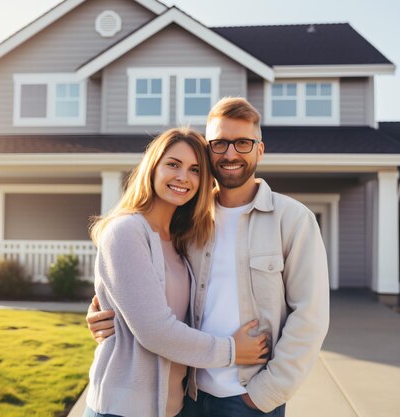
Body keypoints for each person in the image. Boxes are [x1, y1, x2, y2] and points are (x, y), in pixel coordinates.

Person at [88, 98, 330, 416]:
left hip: (248, 398)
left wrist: (267, 392)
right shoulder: (188, 223)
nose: (230, 154)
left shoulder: (291, 219)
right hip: (188, 395)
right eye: (219, 144)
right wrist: (107, 314)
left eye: (243, 143)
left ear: (260, 149)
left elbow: (310, 318)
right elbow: (146, 304)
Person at [84, 127, 270, 417]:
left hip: (174, 408)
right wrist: (232, 351)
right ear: (153, 167)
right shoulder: (126, 231)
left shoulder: (182, 240)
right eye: (173, 164)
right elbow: (154, 331)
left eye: (195, 169)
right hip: (122, 410)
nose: (183, 177)